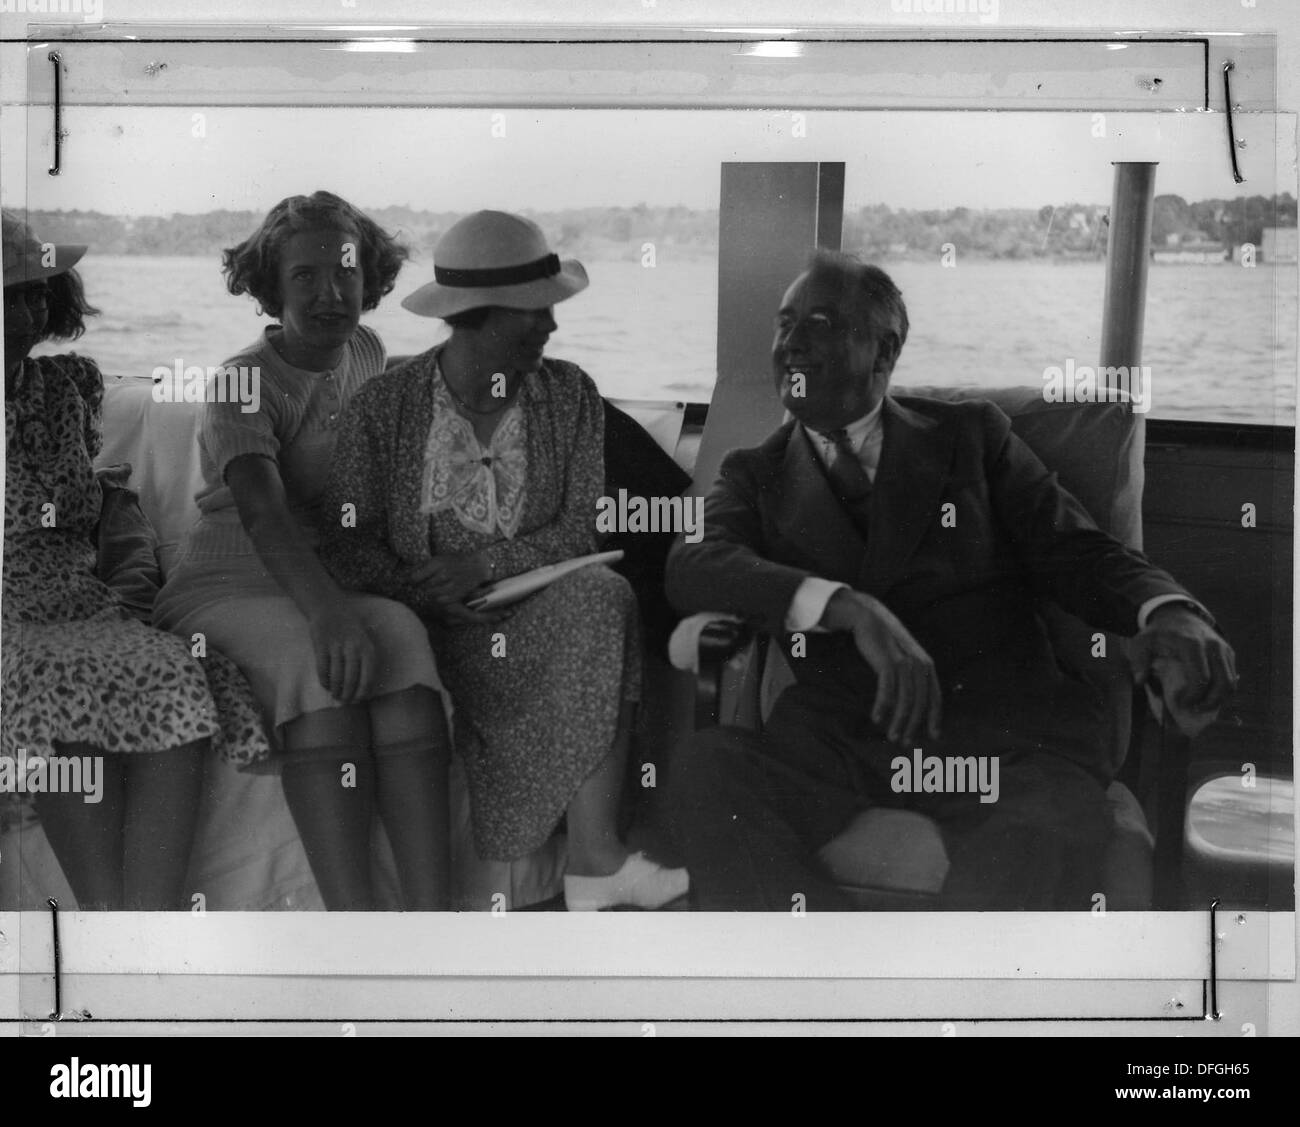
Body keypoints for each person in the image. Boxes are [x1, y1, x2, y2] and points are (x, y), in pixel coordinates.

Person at [665, 249, 1238, 911]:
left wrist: (1169, 611)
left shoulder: (971, 438)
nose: (790, 343)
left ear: (884, 351)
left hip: (1005, 738)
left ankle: (943, 998)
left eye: (819, 324)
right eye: (783, 324)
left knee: (1035, 836)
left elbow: (1077, 551)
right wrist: (849, 609)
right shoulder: (752, 472)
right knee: (705, 773)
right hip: (844, 740)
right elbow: (695, 565)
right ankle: (825, 978)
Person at [320, 210, 688, 911]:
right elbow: (345, 536)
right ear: (479, 316)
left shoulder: (570, 394)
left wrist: (482, 565)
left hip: (539, 613)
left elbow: (582, 528)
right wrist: (419, 589)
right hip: (427, 626)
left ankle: (594, 859)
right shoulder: (384, 407)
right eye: (536, 312)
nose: (552, 327)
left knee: (605, 595)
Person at [152, 191, 451, 911]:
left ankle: (435, 921)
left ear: (370, 277)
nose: (330, 292)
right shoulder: (243, 381)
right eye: (306, 276)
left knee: (405, 640)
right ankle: (353, 924)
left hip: (324, 578)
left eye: (347, 271)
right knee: (320, 663)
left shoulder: (368, 353)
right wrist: (328, 613)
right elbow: (263, 512)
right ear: (270, 288)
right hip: (227, 586)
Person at [1, 210, 271, 910]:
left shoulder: (66, 387)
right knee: (55, 680)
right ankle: (106, 918)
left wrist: (127, 583)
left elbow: (101, 500)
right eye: (7, 295)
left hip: (75, 598)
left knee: (174, 670)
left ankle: (144, 923)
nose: (26, 312)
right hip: (8, 618)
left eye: (34, 291)